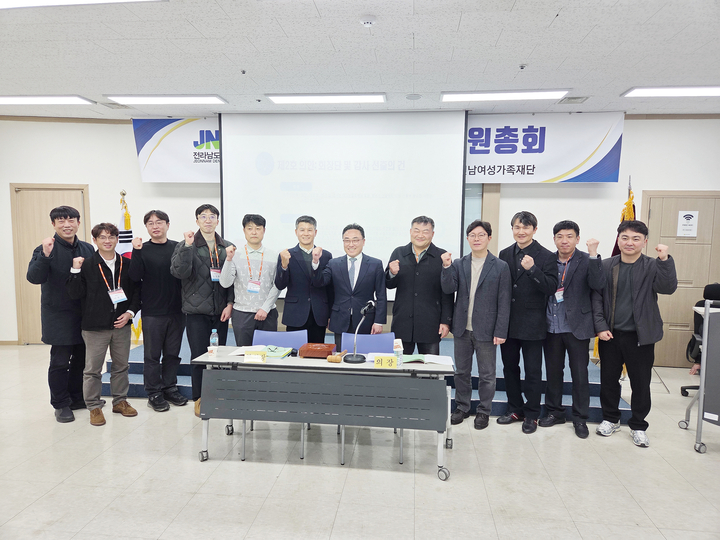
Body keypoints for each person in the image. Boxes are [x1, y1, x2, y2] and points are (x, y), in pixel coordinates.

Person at [592, 220, 677, 447]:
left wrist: (665, 260)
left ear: (644, 242)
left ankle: (638, 425)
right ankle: (611, 419)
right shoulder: (607, 265)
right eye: (625, 238)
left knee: (640, 383)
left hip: (641, 336)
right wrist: (600, 326)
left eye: (636, 238)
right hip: (610, 334)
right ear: (618, 240)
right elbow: (597, 298)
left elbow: (667, 288)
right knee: (608, 381)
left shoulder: (652, 265)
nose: (630, 242)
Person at [66, 223, 141, 426]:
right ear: (95, 240)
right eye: (102, 237)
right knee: (92, 369)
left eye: (111, 237)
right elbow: (74, 293)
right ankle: (94, 406)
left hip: (121, 324)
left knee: (121, 366)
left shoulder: (127, 264)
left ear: (117, 239)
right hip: (94, 326)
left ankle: (120, 401)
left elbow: (136, 292)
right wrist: (75, 270)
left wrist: (130, 313)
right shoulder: (87, 265)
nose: (107, 241)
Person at [27, 205, 95, 423]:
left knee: (82, 360)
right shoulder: (45, 249)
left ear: (78, 223)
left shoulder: (87, 248)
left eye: (71, 220)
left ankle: (76, 398)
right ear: (53, 224)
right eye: (61, 221)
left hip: (83, 314)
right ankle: (60, 404)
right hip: (57, 315)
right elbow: (34, 278)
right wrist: (45, 255)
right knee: (60, 362)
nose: (67, 225)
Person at [441, 220, 511, 429]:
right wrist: (446, 267)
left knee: (487, 375)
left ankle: (483, 411)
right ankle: (462, 407)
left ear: (489, 238)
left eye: (481, 235)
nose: (476, 239)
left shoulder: (500, 266)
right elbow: (448, 289)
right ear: (467, 239)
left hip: (487, 329)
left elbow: (504, 301)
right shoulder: (459, 263)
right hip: (462, 328)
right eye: (472, 235)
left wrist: (501, 330)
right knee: (461, 372)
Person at [539, 221, 603, 439]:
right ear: (554, 239)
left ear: (577, 239)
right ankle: (554, 412)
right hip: (551, 325)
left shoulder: (587, 259)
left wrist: (593, 254)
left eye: (569, 236)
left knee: (579, 374)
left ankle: (580, 418)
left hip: (577, 326)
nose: (564, 240)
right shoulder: (547, 260)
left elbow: (597, 284)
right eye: (559, 236)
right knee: (553, 373)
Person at [497, 211, 558, 434]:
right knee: (509, 368)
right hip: (508, 322)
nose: (521, 231)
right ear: (512, 229)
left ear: (534, 229)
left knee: (532, 371)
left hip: (533, 323)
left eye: (525, 227)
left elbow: (551, 287)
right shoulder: (504, 253)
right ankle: (515, 409)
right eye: (517, 227)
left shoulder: (546, 256)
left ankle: (532, 414)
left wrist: (532, 269)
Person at [170, 204, 233, 417]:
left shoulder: (226, 247)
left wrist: (230, 304)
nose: (208, 220)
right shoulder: (186, 245)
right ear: (197, 221)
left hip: (221, 312)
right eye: (203, 217)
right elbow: (179, 272)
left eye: (212, 216)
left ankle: (217, 396)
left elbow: (233, 280)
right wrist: (187, 247)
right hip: (196, 311)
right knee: (199, 357)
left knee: (219, 357)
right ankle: (199, 398)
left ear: (218, 221)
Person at [129, 210, 187, 413]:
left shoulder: (178, 248)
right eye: (150, 223)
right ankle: (153, 392)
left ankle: (170, 388)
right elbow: (134, 276)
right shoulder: (142, 249)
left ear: (168, 225)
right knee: (152, 356)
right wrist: (136, 251)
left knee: (172, 354)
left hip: (177, 310)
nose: (155, 226)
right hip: (152, 311)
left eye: (159, 222)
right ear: (146, 227)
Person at [311, 223, 387, 349]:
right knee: (341, 356)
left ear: (363, 241)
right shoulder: (334, 264)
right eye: (347, 240)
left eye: (355, 240)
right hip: (340, 320)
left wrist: (379, 321)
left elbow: (381, 295)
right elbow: (320, 282)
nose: (351, 244)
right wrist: (315, 262)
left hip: (365, 320)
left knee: (364, 355)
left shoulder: (375, 264)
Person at [386, 216, 453, 355]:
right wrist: (391, 273)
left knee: (431, 366)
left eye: (425, 231)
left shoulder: (441, 256)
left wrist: (445, 321)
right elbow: (389, 284)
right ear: (410, 232)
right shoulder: (399, 253)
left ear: (432, 234)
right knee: (399, 365)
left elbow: (447, 293)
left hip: (430, 324)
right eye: (416, 230)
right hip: (402, 323)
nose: (420, 235)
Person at [220, 214, 280, 346]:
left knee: (268, 354)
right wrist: (228, 259)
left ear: (264, 230)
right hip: (242, 314)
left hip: (268, 313)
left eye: (258, 228)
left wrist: (265, 308)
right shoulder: (235, 254)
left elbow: (277, 285)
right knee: (244, 354)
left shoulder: (274, 255)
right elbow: (225, 283)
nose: (254, 232)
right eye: (250, 228)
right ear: (244, 230)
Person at [274, 215, 333, 344]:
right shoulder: (286, 254)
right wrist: (284, 266)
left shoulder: (326, 256)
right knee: (295, 351)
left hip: (319, 314)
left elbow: (329, 288)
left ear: (315, 232)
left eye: (309, 230)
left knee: (316, 352)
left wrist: (330, 314)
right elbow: (280, 285)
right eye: (302, 230)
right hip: (295, 314)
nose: (306, 233)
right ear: (296, 232)